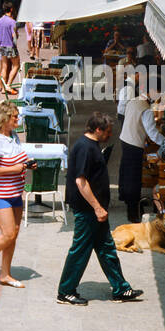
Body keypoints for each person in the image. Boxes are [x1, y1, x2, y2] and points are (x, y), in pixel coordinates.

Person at [57, 111, 143, 306]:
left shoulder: (92, 145)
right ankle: (66, 291)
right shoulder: (85, 148)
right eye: (108, 131)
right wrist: (97, 207)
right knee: (80, 251)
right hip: (88, 210)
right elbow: (81, 181)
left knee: (106, 249)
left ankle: (121, 288)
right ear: (98, 129)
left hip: (96, 211)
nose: (110, 135)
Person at [0, 99, 33, 287]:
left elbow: (16, 159)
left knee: (14, 234)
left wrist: (27, 165)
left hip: (14, 192)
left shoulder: (14, 135)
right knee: (8, 233)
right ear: (4, 119)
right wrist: (16, 169)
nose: (18, 120)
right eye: (15, 117)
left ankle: (5, 274)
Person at [117, 87, 164, 224]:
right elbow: (152, 133)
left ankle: (129, 200)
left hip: (125, 139)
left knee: (126, 173)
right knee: (134, 178)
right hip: (134, 143)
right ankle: (133, 212)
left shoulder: (134, 100)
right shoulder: (146, 109)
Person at [0, 2, 20, 96]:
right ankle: (8, 84)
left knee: (4, 67)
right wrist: (15, 37)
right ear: (11, 9)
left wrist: (1, 38)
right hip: (10, 46)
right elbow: (14, 35)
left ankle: (3, 88)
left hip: (2, 46)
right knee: (16, 65)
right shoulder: (12, 22)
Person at [116, 46, 138, 118]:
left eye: (132, 53)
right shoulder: (122, 62)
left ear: (135, 54)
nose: (130, 55)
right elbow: (119, 76)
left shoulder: (137, 62)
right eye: (128, 53)